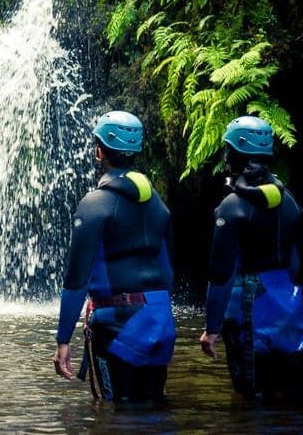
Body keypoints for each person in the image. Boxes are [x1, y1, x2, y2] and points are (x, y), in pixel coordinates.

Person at [53, 110, 176, 404]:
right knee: (153, 405)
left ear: (100, 151)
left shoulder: (95, 204)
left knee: (117, 411)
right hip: (159, 318)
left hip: (119, 322)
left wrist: (63, 340)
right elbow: (167, 272)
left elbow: (76, 280)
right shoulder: (156, 203)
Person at [199, 115, 303, 403]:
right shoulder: (289, 200)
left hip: (251, 309)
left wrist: (211, 329)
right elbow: (296, 265)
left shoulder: (233, 206)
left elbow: (221, 274)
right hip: (289, 307)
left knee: (254, 398)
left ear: (236, 153)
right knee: (291, 394)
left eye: (227, 151)